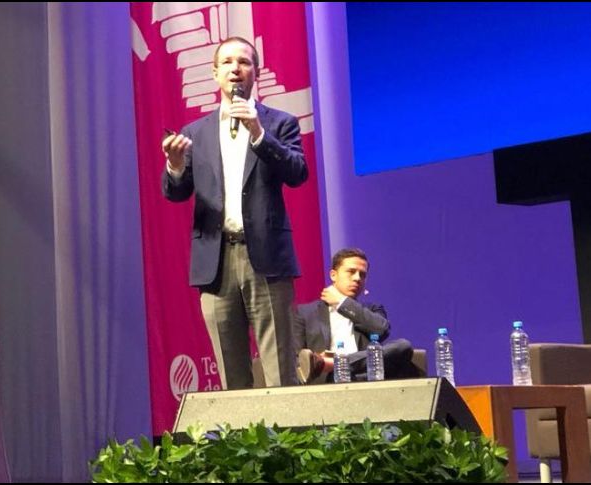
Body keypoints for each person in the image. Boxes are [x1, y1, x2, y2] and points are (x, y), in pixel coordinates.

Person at [162, 36, 308, 389]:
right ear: (215, 74)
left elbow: (297, 173)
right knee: (231, 377)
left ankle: (286, 442)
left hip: (267, 259)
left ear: (255, 73)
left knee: (279, 371)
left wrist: (258, 132)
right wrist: (175, 165)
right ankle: (241, 444)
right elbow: (176, 193)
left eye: (243, 62)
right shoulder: (195, 131)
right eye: (227, 62)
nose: (235, 69)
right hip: (216, 262)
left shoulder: (279, 123)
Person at [294, 248, 420, 383]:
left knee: (403, 346)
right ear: (333, 275)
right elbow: (297, 358)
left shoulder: (372, 309)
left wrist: (342, 303)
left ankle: (332, 364)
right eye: (351, 272)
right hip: (326, 380)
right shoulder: (304, 313)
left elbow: (381, 330)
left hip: (362, 377)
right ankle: (329, 365)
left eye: (362, 275)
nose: (357, 278)